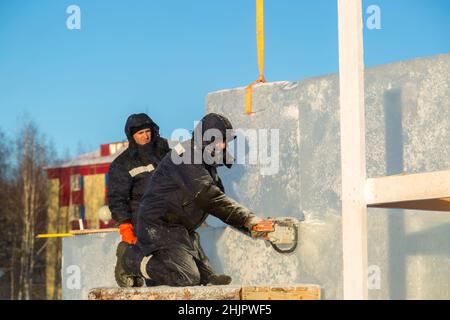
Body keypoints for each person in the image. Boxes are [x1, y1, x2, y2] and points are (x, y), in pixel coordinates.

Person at [115, 113, 266, 287]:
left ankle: (205, 278)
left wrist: (253, 228)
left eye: (225, 140)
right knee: (187, 278)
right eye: (219, 140)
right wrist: (249, 220)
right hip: (158, 226)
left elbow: (218, 203)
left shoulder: (206, 164)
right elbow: (209, 198)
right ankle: (130, 259)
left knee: (204, 280)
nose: (224, 145)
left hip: (179, 230)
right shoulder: (185, 155)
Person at [108, 113, 170, 287]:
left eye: (147, 131)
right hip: (142, 219)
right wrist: (125, 227)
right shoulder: (122, 164)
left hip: (169, 217)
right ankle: (125, 257)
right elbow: (117, 198)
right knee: (155, 272)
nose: (145, 136)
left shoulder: (166, 154)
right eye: (140, 133)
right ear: (132, 136)